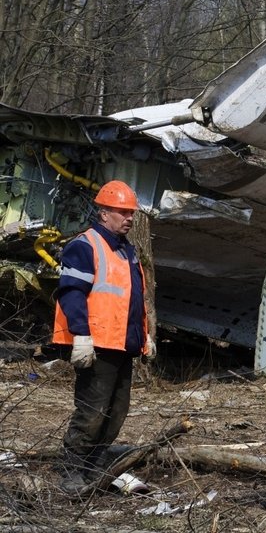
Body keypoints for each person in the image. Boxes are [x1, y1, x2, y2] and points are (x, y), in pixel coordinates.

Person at [52, 180, 154, 493]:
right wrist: (81, 336)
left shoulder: (127, 249)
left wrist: (144, 336)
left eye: (130, 213)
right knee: (92, 413)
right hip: (96, 344)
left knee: (116, 413)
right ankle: (72, 474)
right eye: (121, 212)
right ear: (103, 212)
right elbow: (71, 293)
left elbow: (133, 297)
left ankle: (93, 470)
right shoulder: (86, 245)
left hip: (123, 343)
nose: (128, 218)